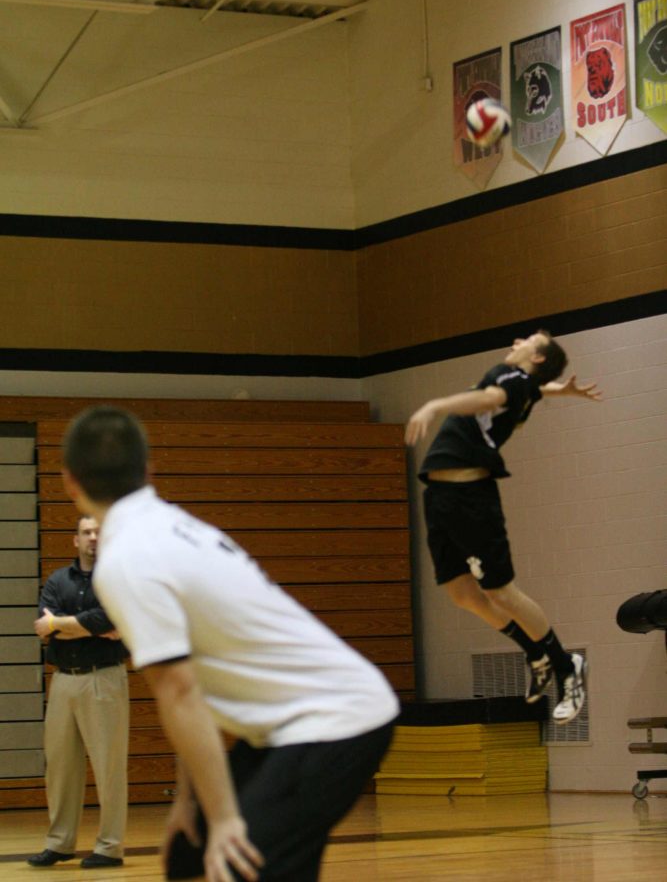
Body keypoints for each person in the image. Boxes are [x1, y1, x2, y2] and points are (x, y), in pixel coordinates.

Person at [60, 406, 399, 882]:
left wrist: (223, 819)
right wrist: (191, 804)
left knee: (237, 863)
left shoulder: (128, 560)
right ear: (148, 470)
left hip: (337, 721)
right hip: (294, 725)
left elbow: (178, 693)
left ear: (69, 483)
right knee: (190, 856)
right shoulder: (170, 526)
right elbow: (188, 689)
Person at [405, 331, 602, 725]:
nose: (517, 340)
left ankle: (567, 667)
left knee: (500, 592)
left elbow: (491, 399)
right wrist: (561, 391)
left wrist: (435, 405)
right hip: (440, 497)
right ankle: (536, 654)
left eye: (529, 339)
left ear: (540, 357)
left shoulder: (510, 379)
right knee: (461, 593)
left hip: (471, 497)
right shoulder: (523, 384)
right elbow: (527, 391)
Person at [27, 517, 129, 869]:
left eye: (99, 532)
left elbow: (110, 620)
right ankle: (60, 843)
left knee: (108, 767)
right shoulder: (57, 580)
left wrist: (64, 623)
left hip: (103, 679)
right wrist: (86, 626)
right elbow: (45, 627)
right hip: (63, 681)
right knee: (60, 766)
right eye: (86, 532)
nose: (93, 537)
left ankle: (110, 847)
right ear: (75, 540)